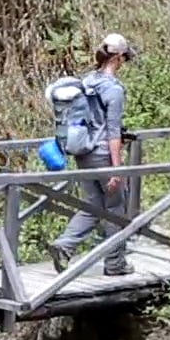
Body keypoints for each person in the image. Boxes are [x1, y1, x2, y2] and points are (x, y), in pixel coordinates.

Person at [52, 33, 134, 275]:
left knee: (93, 204)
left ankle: (65, 246)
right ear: (118, 57)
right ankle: (115, 263)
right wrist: (117, 168)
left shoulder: (87, 81)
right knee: (116, 207)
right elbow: (112, 131)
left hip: (83, 152)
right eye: (124, 58)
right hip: (102, 154)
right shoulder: (113, 90)